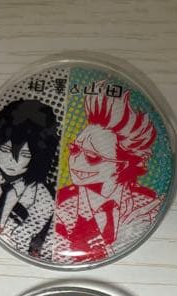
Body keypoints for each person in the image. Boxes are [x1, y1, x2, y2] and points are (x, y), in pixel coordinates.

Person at [52, 84, 160, 262]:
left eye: (92, 156)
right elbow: (63, 256)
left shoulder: (146, 203)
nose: (76, 161)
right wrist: (124, 236)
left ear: (122, 165)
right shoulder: (61, 206)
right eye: (75, 149)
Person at [0, 99, 58, 258]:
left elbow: (37, 248)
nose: (12, 161)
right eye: (4, 150)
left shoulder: (45, 203)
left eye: (24, 154)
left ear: (38, 157)